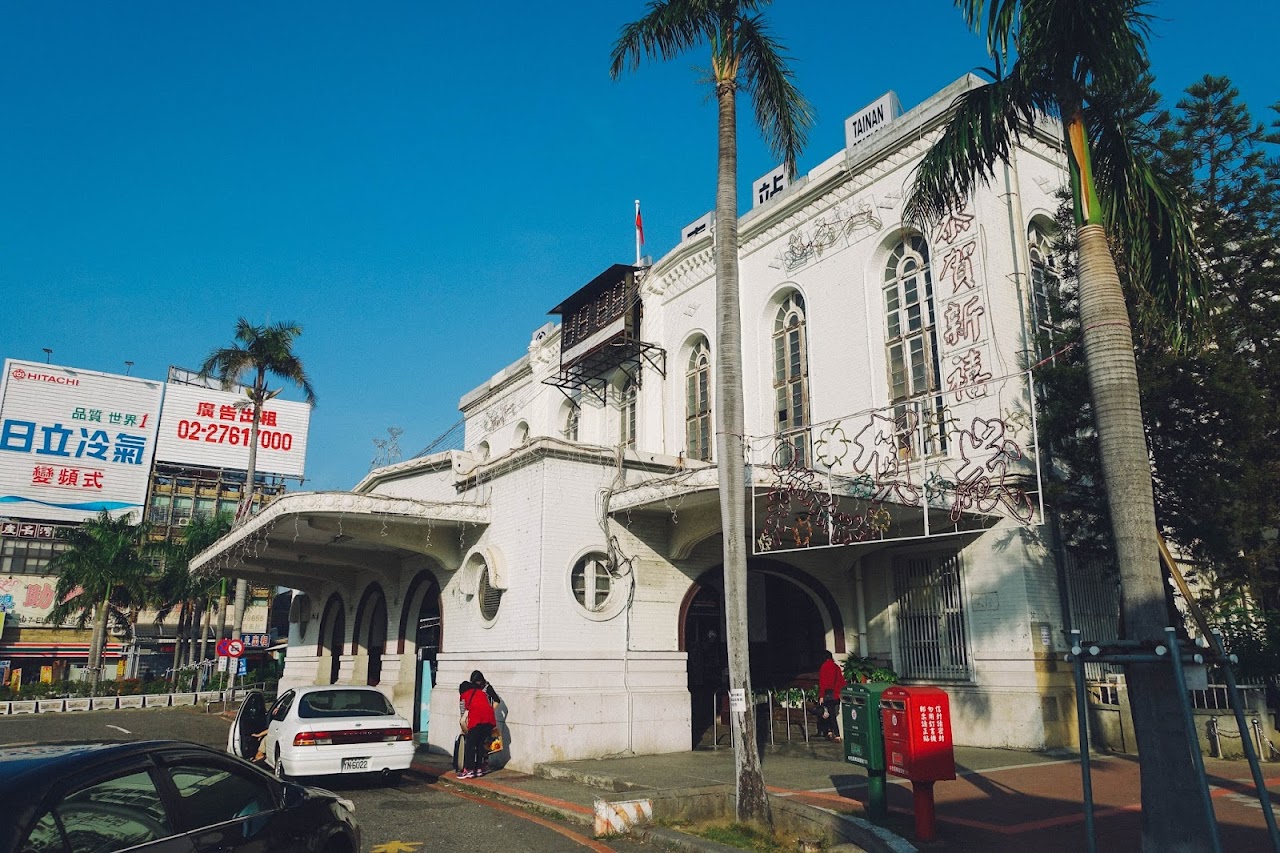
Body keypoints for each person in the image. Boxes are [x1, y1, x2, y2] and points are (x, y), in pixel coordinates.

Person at [457, 679, 496, 779]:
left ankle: (468, 770)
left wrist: (464, 730)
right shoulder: (481, 693)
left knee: (470, 745)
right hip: (490, 721)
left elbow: (463, 716)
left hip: (478, 721)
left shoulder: (464, 696)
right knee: (480, 744)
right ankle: (478, 769)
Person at [817, 651, 846, 742]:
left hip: (828, 694)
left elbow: (823, 683)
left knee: (830, 714)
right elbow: (841, 681)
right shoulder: (836, 667)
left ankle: (835, 734)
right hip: (836, 694)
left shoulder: (824, 667)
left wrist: (821, 696)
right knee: (831, 713)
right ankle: (830, 731)